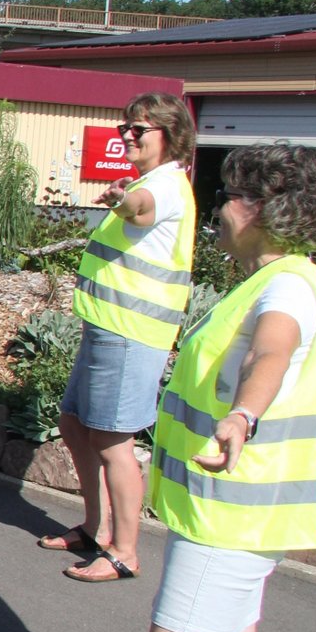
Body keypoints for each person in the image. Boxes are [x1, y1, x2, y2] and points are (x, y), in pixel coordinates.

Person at [141, 143, 316, 632]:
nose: (217, 210)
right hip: (239, 517)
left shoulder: (289, 287)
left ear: (262, 208)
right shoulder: (282, 280)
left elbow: (270, 353)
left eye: (224, 197)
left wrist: (241, 415)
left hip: (227, 522)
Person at [42, 92, 197, 582]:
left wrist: (121, 199)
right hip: (107, 330)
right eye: (124, 128)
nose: (127, 136)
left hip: (131, 335)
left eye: (140, 130)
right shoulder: (152, 181)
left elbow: (141, 208)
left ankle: (126, 551)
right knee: (74, 426)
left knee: (112, 441)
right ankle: (95, 527)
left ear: (169, 137)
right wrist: (126, 195)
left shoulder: (166, 187)